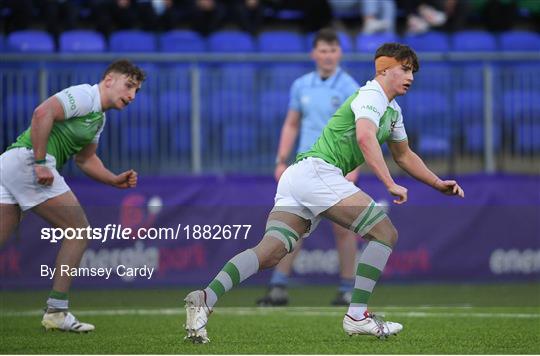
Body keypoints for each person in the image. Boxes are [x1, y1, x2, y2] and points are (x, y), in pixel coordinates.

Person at [184, 43, 464, 343]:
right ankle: (357, 315)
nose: (411, 77)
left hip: (299, 176)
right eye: (405, 69)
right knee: (385, 233)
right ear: (384, 68)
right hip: (318, 172)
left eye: (413, 72)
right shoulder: (371, 96)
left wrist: (437, 183)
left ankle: (205, 297)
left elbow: (404, 155)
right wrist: (389, 183)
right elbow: (365, 136)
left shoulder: (393, 111)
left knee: (269, 253)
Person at [0, 59, 145, 332]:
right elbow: (42, 112)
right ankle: (56, 311)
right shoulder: (85, 95)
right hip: (29, 162)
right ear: (109, 80)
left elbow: (86, 160)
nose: (132, 96)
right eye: (129, 86)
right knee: (78, 231)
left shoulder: (99, 118)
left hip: (11, 164)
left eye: (136, 91)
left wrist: (114, 179)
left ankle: (56, 311)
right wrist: (41, 161)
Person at [257, 28, 361, 307]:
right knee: (292, 225)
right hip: (304, 167)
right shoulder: (301, 85)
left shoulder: (349, 87)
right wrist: (281, 159)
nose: (328, 56)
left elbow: (358, 131)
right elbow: (291, 123)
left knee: (345, 228)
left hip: (338, 166)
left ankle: (348, 288)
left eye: (333, 50)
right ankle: (278, 287)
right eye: (323, 50)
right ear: (314, 54)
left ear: (340, 53)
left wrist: (355, 167)